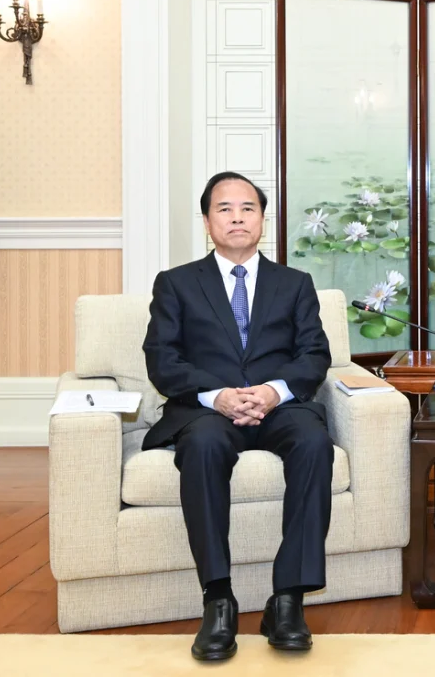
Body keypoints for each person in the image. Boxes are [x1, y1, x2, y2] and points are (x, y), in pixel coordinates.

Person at [142, 171, 333, 661]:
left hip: (279, 406)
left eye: (248, 208)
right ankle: (218, 599)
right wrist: (218, 396)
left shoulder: (295, 284)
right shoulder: (176, 284)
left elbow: (314, 354)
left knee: (315, 442)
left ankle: (287, 600)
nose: (237, 218)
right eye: (224, 209)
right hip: (208, 409)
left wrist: (272, 392)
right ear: (207, 221)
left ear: (263, 219)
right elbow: (163, 359)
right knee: (203, 445)